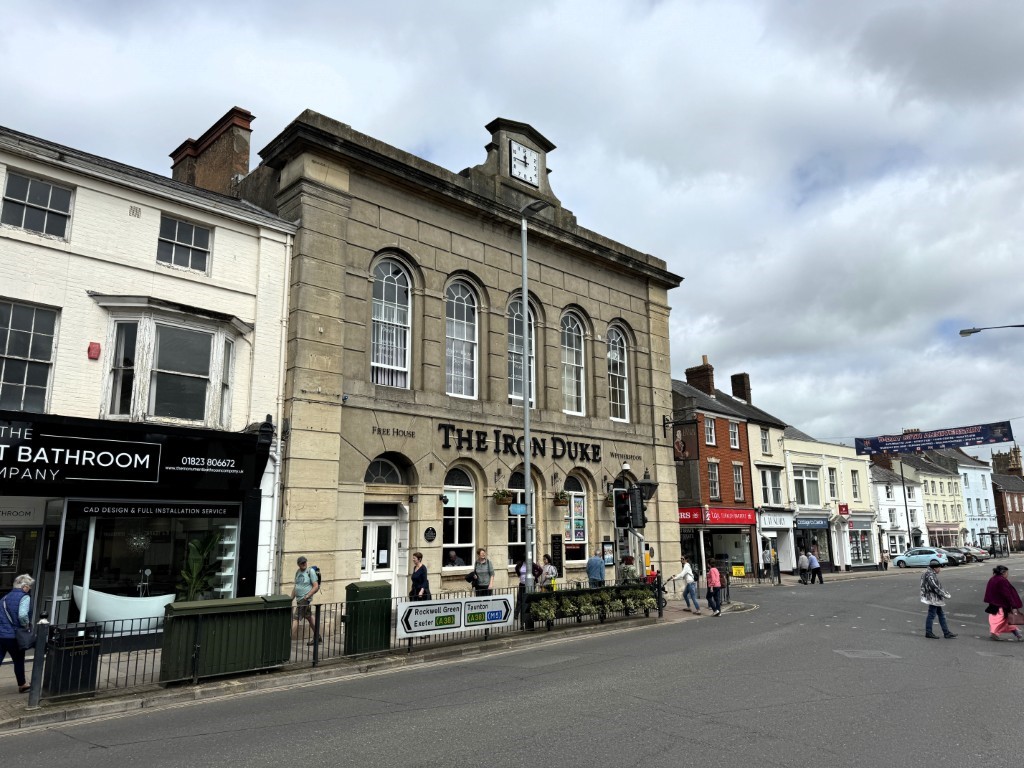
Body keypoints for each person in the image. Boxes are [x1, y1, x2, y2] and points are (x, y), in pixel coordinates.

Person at [0, 574, 34, 693]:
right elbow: (22, 615)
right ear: (24, 587)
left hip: (1, 635)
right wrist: (26, 625)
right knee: (18, 659)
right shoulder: (24, 597)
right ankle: (22, 684)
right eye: (29, 586)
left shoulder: (4, 598)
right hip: (14, 636)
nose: (29, 589)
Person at [983, 564, 1023, 641]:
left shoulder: (993, 579)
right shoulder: (1002, 580)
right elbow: (1007, 594)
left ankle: (1017, 633)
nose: (1007, 575)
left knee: (1004, 619)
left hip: (994, 603)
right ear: (1003, 572)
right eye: (1007, 573)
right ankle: (995, 632)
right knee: (1001, 619)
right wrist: (1014, 606)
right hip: (1001, 604)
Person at [920, 559, 956, 639]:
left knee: (941, 615)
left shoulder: (928, 573)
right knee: (931, 615)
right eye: (939, 568)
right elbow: (935, 587)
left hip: (934, 598)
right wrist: (945, 594)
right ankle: (929, 632)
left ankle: (946, 632)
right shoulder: (930, 575)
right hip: (933, 598)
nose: (940, 569)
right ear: (935, 568)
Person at [291, 556, 320, 645]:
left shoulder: (310, 571)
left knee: (295, 618)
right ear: (298, 564)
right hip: (299, 599)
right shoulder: (298, 572)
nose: (304, 564)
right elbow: (296, 587)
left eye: (305, 562)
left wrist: (307, 596)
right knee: (309, 617)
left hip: (305, 600)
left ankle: (288, 639)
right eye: (302, 563)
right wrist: (290, 599)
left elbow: (316, 586)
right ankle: (318, 637)